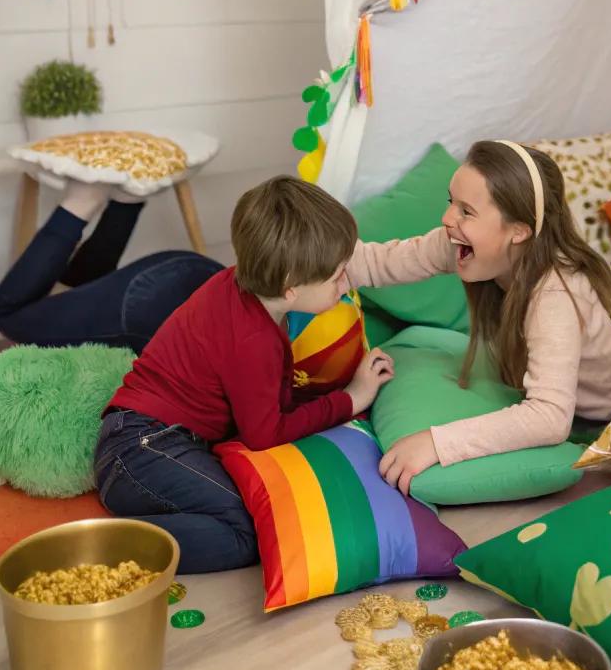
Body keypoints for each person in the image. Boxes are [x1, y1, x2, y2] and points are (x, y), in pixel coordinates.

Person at [94, 176, 394, 573]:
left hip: (145, 443)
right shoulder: (254, 339)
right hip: (139, 453)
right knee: (249, 534)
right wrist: (352, 399)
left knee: (260, 508)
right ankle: (108, 548)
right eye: (338, 275)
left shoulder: (244, 287)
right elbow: (265, 434)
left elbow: (270, 397)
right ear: (291, 288)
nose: (346, 281)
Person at [346, 140, 611, 496]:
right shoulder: (462, 245)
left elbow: (549, 417)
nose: (448, 219)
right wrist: (313, 261)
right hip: (587, 366)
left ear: (519, 231)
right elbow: (381, 262)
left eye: (467, 211)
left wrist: (436, 443)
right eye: (452, 203)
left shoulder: (555, 295)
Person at [0, 181, 223, 352]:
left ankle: (125, 202)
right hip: (156, 307)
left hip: (205, 275)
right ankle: (81, 204)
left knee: (77, 290)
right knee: (6, 313)